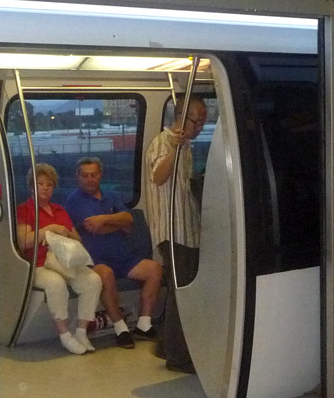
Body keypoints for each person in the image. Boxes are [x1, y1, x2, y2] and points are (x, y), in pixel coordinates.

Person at [64, 157, 163, 350]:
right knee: (106, 275)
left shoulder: (111, 195)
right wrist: (117, 224)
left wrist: (105, 219)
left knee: (155, 269)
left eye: (94, 175)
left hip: (123, 257)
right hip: (96, 260)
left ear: (100, 175)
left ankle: (144, 324)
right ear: (78, 177)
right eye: (85, 176)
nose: (90, 179)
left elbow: (129, 220)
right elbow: (94, 228)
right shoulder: (74, 200)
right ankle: (121, 329)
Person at [143, 96, 207, 372]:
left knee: (182, 293)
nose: (201, 126)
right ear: (182, 116)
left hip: (187, 230)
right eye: (198, 120)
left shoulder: (187, 147)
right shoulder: (164, 142)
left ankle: (169, 345)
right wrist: (175, 150)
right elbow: (158, 176)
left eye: (204, 120)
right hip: (173, 230)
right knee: (183, 295)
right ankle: (177, 357)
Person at [16, 162, 102, 355]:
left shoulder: (59, 210)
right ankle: (64, 335)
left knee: (93, 280)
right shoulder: (25, 210)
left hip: (64, 262)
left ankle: (81, 331)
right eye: (40, 184)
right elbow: (24, 241)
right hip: (39, 265)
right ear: (32, 187)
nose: (45, 188)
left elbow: (77, 239)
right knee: (55, 284)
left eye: (49, 185)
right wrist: (49, 230)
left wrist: (66, 234)